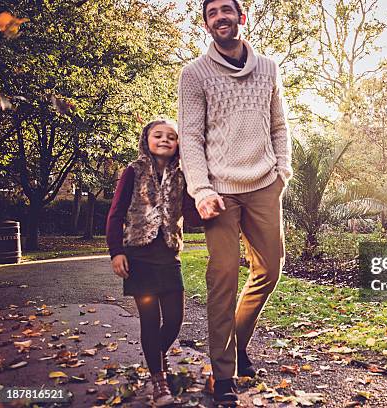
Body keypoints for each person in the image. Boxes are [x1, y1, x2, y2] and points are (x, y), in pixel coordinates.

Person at [177, 0, 292, 405]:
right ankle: (223, 374)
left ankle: (236, 343)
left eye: (227, 10)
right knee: (223, 275)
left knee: (271, 268)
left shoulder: (270, 68)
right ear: (207, 23)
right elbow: (189, 137)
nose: (221, 17)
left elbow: (279, 125)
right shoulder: (194, 74)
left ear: (242, 17)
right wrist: (201, 189)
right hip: (219, 191)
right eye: (212, 13)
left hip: (264, 183)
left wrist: (283, 174)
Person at [106, 119, 202, 407]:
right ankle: (159, 381)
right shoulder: (133, 171)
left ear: (178, 145)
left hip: (169, 255)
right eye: (158, 135)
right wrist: (115, 251)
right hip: (138, 256)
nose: (164, 140)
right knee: (150, 320)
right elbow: (115, 213)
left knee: (174, 319)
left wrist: (210, 204)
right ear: (145, 139)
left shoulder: (183, 176)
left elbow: (191, 213)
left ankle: (153, 363)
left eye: (171, 137)